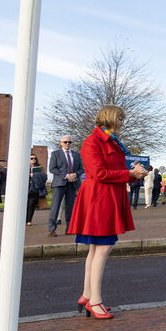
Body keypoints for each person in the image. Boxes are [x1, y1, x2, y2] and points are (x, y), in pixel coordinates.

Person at [68, 105, 146, 319]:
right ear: (110, 118)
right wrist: (130, 173)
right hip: (100, 199)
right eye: (120, 118)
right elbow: (99, 173)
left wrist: (133, 174)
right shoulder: (93, 141)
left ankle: (87, 295)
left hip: (104, 197)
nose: (122, 122)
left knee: (95, 249)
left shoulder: (110, 141)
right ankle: (95, 301)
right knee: (102, 248)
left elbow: (112, 171)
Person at [48, 135, 84, 236]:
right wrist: (67, 175)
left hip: (72, 184)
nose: (67, 144)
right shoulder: (55, 154)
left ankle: (69, 228)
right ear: (61, 143)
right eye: (65, 142)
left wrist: (75, 174)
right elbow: (52, 168)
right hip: (59, 183)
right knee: (55, 206)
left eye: (69, 142)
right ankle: (51, 229)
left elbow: (81, 168)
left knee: (70, 207)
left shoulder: (76, 155)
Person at [27, 154, 48, 226]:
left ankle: (29, 220)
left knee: (31, 204)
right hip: (26, 187)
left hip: (35, 188)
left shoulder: (40, 168)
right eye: (31, 158)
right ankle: (24, 219)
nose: (33, 160)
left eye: (35, 158)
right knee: (25, 204)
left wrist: (35, 175)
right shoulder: (25, 167)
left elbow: (45, 177)